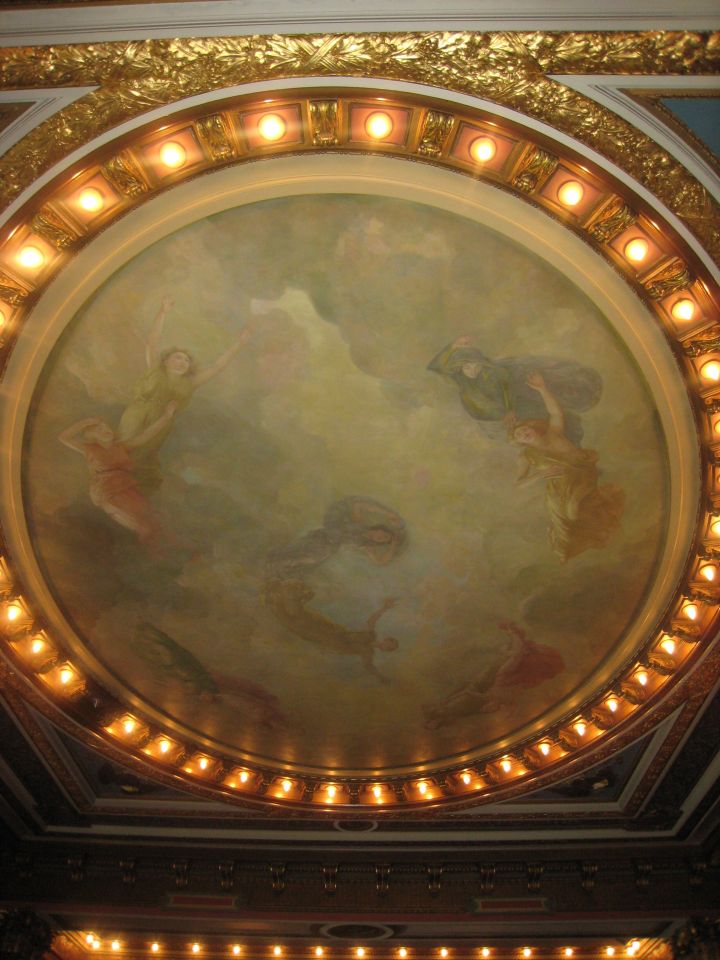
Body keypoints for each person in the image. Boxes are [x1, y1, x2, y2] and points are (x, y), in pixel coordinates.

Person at [117, 295, 252, 491]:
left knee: (144, 456)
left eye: (186, 361)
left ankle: (129, 487)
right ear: (166, 361)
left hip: (162, 421)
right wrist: (163, 312)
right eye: (178, 358)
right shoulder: (155, 369)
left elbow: (217, 367)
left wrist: (239, 344)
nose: (182, 362)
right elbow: (152, 343)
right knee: (124, 448)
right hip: (138, 414)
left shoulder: (190, 383)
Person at [513, 371, 624, 562]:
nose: (523, 433)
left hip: (581, 474)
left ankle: (602, 519)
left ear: (532, 427)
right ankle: (586, 538)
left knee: (574, 511)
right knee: (568, 521)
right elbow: (518, 484)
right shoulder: (526, 456)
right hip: (559, 489)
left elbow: (555, 413)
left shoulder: (553, 433)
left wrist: (542, 388)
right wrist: (540, 475)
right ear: (520, 442)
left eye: (524, 429)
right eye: (519, 435)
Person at [428, 334, 602, 444]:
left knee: (543, 389)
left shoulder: (492, 371)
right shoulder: (461, 381)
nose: (472, 371)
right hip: (503, 412)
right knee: (544, 419)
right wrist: (453, 346)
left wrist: (509, 407)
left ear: (481, 363)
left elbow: (505, 386)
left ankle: (576, 395)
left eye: (475, 366)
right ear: (460, 369)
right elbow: (436, 367)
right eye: (467, 368)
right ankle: (570, 435)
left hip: (514, 399)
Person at [59, 404, 177, 547]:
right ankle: (156, 552)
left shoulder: (122, 446)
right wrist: (87, 422)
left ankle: (174, 547)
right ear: (91, 436)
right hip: (108, 491)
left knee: (153, 519)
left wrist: (167, 416)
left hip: (126, 487)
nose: (105, 430)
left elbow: (147, 434)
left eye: (107, 427)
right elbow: (64, 437)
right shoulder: (89, 448)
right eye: (99, 429)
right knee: (143, 527)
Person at [422, 621, 564, 729]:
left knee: (510, 661)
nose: (487, 709)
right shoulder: (499, 700)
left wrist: (447, 701)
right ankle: (513, 639)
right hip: (500, 678)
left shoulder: (490, 697)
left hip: (494, 679)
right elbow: (511, 707)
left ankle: (512, 638)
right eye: (489, 709)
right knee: (512, 660)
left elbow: (468, 693)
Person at [264, 579, 399, 679]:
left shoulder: (368, 652)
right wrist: (385, 608)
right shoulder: (371, 635)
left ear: (385, 650)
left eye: (388, 649)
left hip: (329, 641)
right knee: (304, 617)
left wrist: (381, 677)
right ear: (386, 639)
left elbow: (369, 667)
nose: (386, 647)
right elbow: (372, 620)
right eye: (389, 644)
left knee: (299, 628)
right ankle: (281, 593)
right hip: (332, 630)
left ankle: (275, 602)